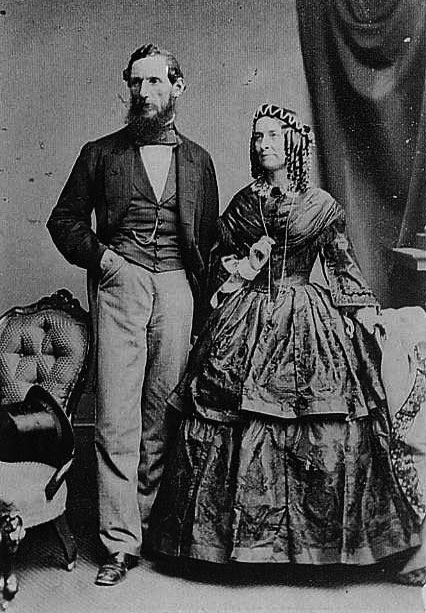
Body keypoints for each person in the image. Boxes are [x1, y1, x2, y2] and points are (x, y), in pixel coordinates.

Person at [151, 103, 425, 585]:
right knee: (232, 418)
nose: (263, 145)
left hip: (307, 318)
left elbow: (340, 265)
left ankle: (319, 550)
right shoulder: (244, 203)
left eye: (273, 136)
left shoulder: (320, 204)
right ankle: (233, 548)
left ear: (294, 143)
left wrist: (365, 312)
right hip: (246, 316)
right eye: (258, 137)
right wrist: (241, 268)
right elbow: (216, 258)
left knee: (319, 421)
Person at [47, 43, 219, 586]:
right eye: (135, 82)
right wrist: (105, 261)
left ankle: (144, 527)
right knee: (116, 418)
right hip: (121, 283)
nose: (143, 92)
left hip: (176, 288)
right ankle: (119, 545)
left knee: (162, 412)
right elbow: (64, 221)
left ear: (177, 87)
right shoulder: (100, 153)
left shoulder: (198, 160)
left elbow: (208, 242)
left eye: (154, 82)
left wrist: (197, 298)